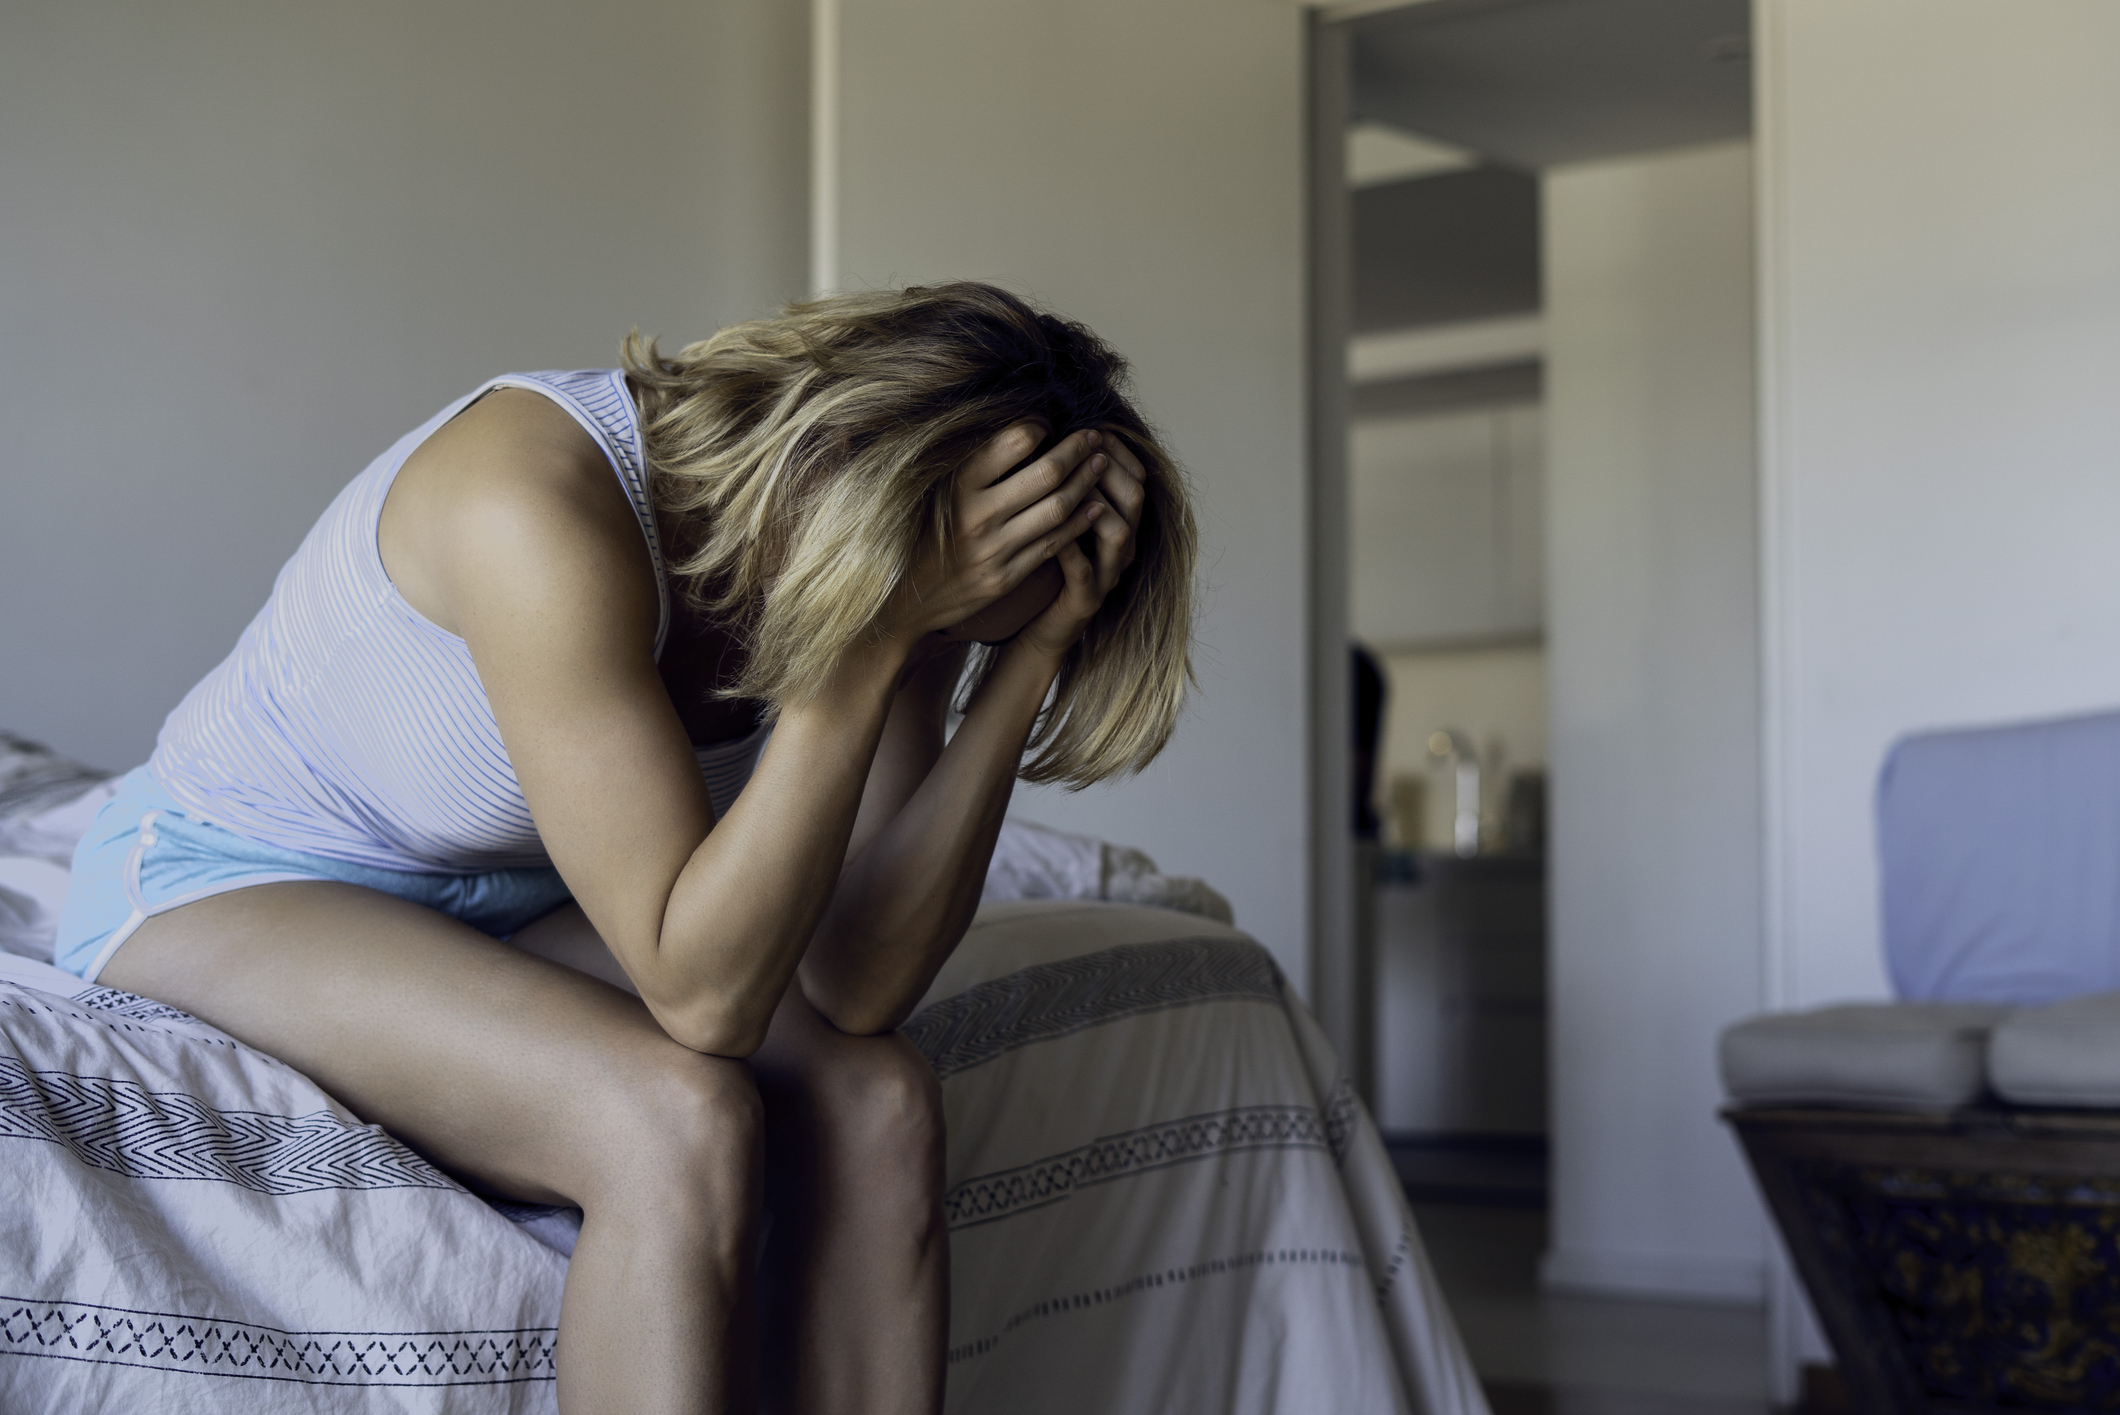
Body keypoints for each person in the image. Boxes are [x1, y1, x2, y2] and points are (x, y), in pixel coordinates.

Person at [52, 282, 1197, 1415]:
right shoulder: (535, 493)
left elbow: (851, 981)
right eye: (939, 616)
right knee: (670, 1117)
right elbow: (706, 1004)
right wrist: (870, 635)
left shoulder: (926, 584)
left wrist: (1027, 656)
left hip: (521, 903)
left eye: (962, 626)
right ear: (843, 457)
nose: (932, 643)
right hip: (239, 874)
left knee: (879, 1096)